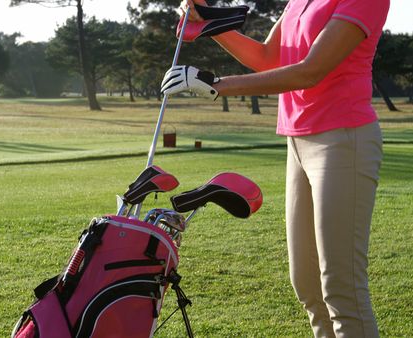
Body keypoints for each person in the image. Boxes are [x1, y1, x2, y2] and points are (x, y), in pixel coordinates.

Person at [162, 0, 390, 337]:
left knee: (343, 290)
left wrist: (214, 84)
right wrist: (207, 21)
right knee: (308, 287)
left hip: (343, 140)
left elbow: (310, 70)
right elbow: (268, 57)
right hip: (297, 142)